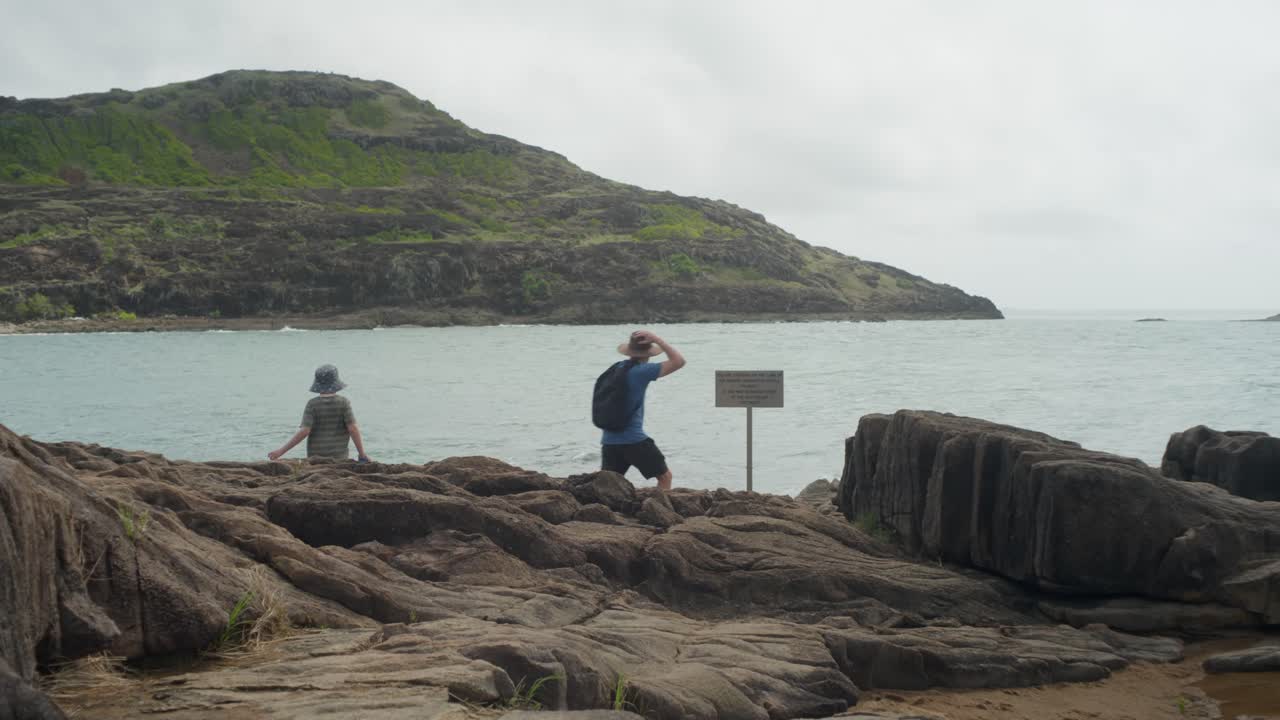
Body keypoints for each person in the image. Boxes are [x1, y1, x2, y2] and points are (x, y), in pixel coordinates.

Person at [600, 330, 685, 490]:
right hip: (634, 440)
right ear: (649, 353)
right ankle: (661, 512)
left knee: (609, 486)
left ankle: (608, 513)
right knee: (664, 477)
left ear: (629, 351)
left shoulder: (617, 368)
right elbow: (678, 361)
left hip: (609, 440)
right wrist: (658, 339)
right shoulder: (641, 371)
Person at [268, 364, 371, 462]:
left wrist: (281, 451)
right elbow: (353, 429)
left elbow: (305, 431)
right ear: (336, 382)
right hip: (340, 458)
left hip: (315, 459)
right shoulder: (344, 403)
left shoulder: (312, 404)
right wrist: (362, 454)